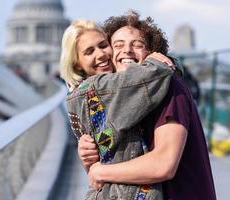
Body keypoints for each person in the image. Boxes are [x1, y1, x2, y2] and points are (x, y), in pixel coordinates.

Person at [78, 10, 216, 200]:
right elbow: (110, 168)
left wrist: (99, 171)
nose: (127, 50)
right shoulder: (117, 98)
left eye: (137, 45)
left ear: (153, 53)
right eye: (118, 45)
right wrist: (89, 154)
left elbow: (163, 165)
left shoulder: (170, 88)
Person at [60, 19, 174, 199]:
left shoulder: (78, 94)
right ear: (77, 64)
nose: (101, 55)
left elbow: (95, 166)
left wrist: (89, 159)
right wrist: (164, 62)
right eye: (89, 52)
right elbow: (152, 76)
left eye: (103, 45)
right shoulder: (103, 89)